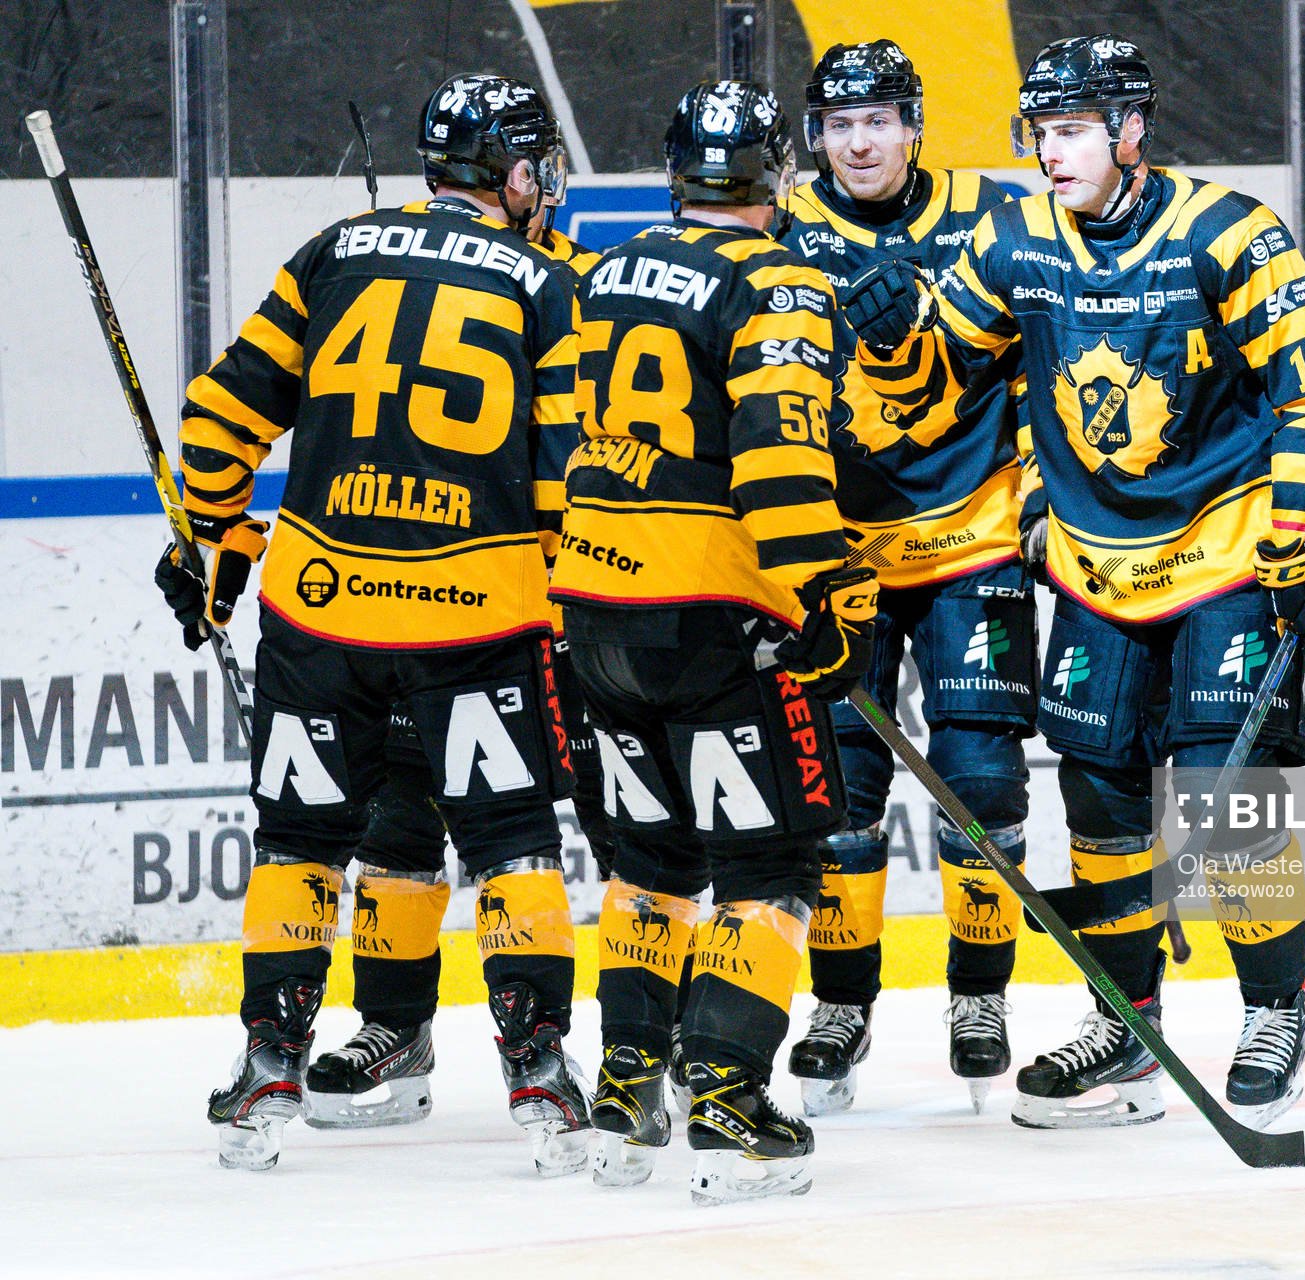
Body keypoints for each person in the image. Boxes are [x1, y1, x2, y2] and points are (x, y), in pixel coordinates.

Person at [839, 35, 1305, 1130]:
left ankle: (1276, 1012)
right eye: (1040, 132)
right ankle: (1127, 1025)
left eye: (1073, 130)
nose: (1050, 153)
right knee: (1101, 803)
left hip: (1225, 554)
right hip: (1093, 569)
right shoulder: (1014, 239)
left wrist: (1301, 541)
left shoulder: (1232, 234)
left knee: (1225, 797)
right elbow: (939, 387)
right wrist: (892, 347)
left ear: (1131, 131)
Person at [154, 72, 594, 1174]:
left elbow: (223, 411)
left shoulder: (332, 251)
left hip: (321, 613)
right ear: (518, 174)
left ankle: (270, 1057)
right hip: (477, 612)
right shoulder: (549, 285)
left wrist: (212, 536)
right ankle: (538, 1066)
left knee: (299, 840)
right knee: (510, 840)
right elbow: (566, 479)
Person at [549, 80, 875, 1203]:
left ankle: (627, 1087)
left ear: (676, 172)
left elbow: (561, 433)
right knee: (768, 864)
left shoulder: (605, 270)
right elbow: (781, 465)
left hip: (593, 606)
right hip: (714, 619)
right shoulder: (780, 282)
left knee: (651, 860)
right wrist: (828, 596)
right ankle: (730, 1102)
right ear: (779, 174)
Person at [300, 164, 621, 1132]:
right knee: (399, 816)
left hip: (548, 604)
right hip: (427, 599)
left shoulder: (578, 283)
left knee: (610, 825)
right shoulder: (432, 265)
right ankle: (394, 1027)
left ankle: (652, 1036)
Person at [776, 39, 1036, 1117]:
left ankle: (979, 994)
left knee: (982, 778)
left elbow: (1045, 357)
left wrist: (1043, 491)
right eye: (839, 125)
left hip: (974, 536)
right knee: (838, 796)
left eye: (878, 120)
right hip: (839, 555)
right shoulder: (781, 227)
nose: (859, 142)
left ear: (915, 125)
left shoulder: (995, 216)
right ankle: (842, 1004)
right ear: (814, 137)